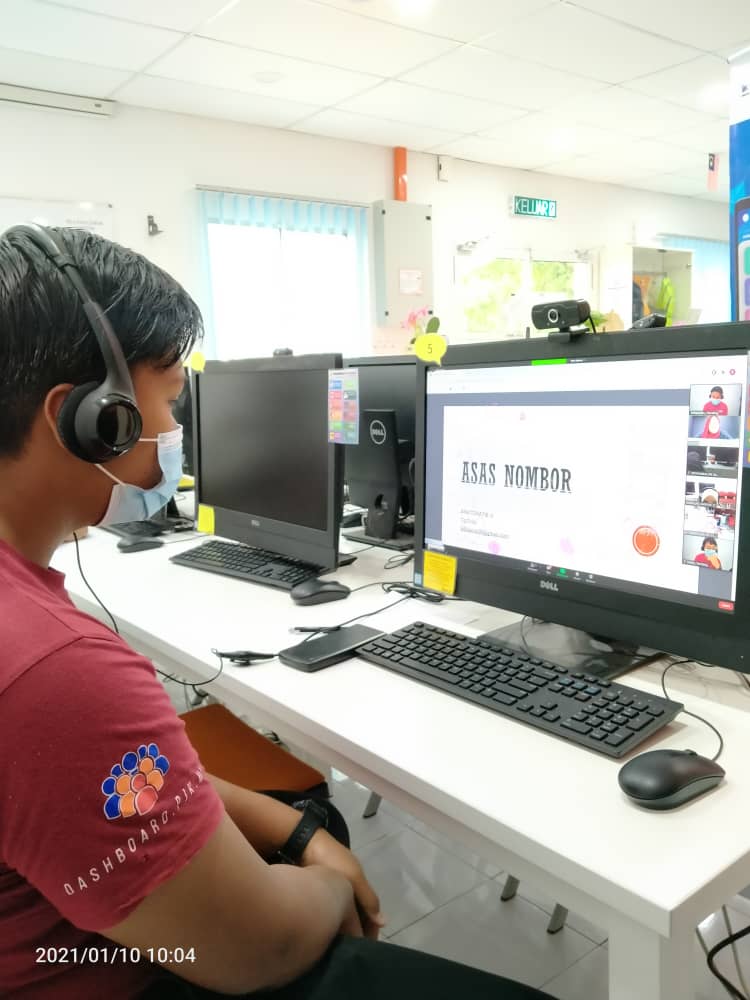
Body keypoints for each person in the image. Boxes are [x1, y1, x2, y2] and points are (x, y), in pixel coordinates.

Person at [0, 226, 552, 1000]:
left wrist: (298, 830)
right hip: (114, 976)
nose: (176, 433)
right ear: (90, 420)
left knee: (310, 815)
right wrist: (329, 875)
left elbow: (120, 780)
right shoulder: (52, 672)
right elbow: (261, 947)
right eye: (168, 401)